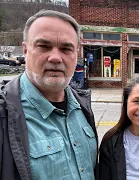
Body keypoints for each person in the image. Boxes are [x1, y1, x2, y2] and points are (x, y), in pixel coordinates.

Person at [0, 10, 98, 180]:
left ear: (76, 54)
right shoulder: (4, 115)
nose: (55, 58)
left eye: (66, 48)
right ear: (25, 50)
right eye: (44, 46)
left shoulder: (83, 107)